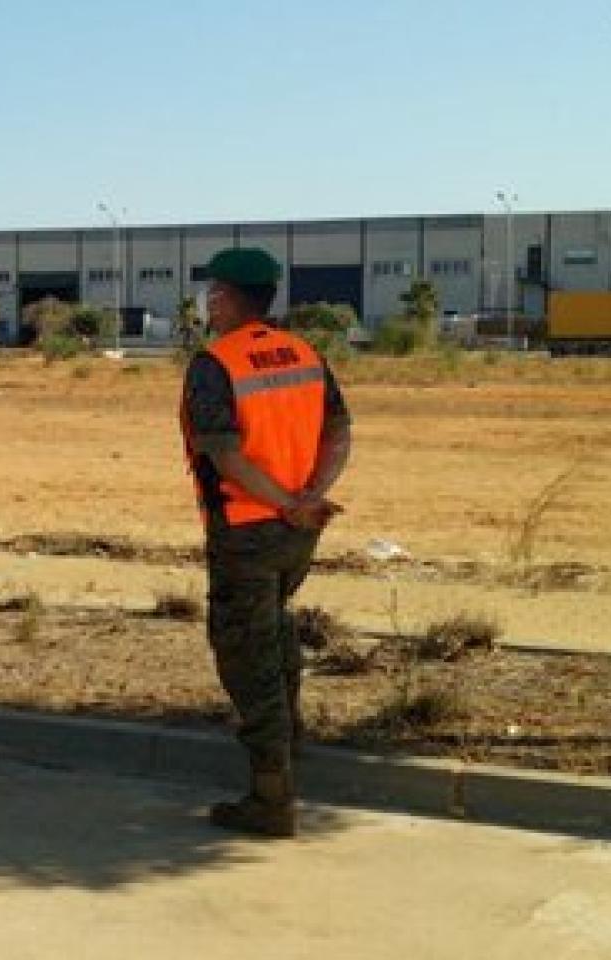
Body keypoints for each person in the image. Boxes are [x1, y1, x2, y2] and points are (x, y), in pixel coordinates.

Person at [179, 247, 353, 837]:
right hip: (297, 530)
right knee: (274, 627)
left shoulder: (216, 363)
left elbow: (224, 454)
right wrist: (308, 497)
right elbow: (340, 434)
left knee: (244, 651)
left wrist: (282, 501)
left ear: (226, 297)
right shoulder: (306, 355)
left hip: (248, 526)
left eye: (212, 292)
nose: (209, 301)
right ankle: (292, 734)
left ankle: (270, 793)